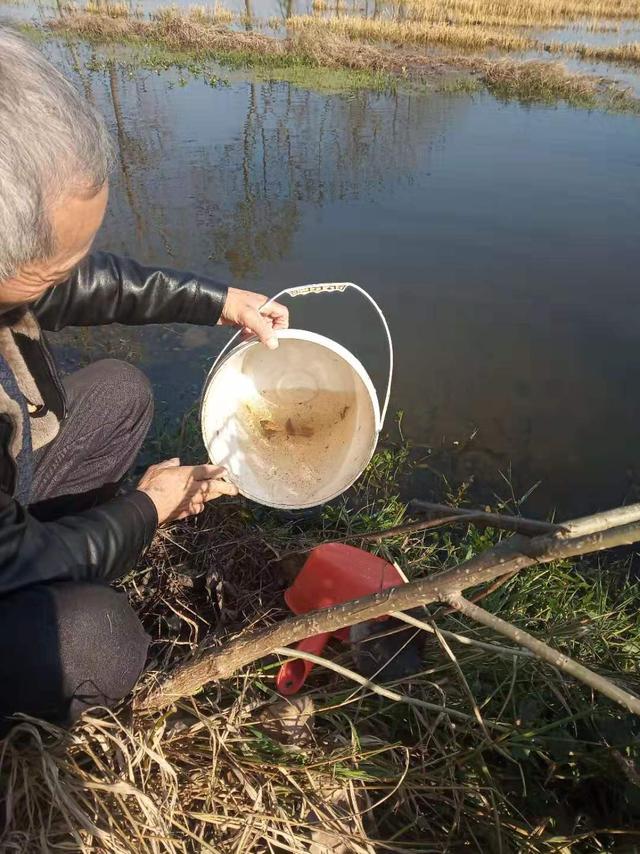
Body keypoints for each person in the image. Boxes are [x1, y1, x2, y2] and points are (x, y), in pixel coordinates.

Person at [0, 29, 289, 733]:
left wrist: (219, 301)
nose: (71, 278)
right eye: (52, 267)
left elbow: (77, 286)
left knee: (121, 393)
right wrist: (148, 509)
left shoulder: (16, 273)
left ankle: (61, 547)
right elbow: (7, 566)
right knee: (99, 640)